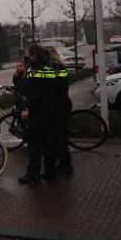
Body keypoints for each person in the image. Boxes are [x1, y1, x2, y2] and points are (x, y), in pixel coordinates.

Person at [20, 45, 62, 184]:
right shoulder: (49, 69)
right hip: (50, 111)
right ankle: (50, 172)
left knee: (34, 145)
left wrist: (27, 108)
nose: (26, 57)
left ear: (33, 56)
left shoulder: (34, 71)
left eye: (27, 54)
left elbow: (31, 92)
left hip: (37, 113)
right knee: (48, 144)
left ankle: (33, 174)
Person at [44, 46, 74, 177]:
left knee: (59, 138)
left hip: (58, 107)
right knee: (58, 137)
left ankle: (66, 165)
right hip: (60, 106)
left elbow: (54, 88)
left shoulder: (56, 68)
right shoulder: (59, 67)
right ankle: (62, 164)